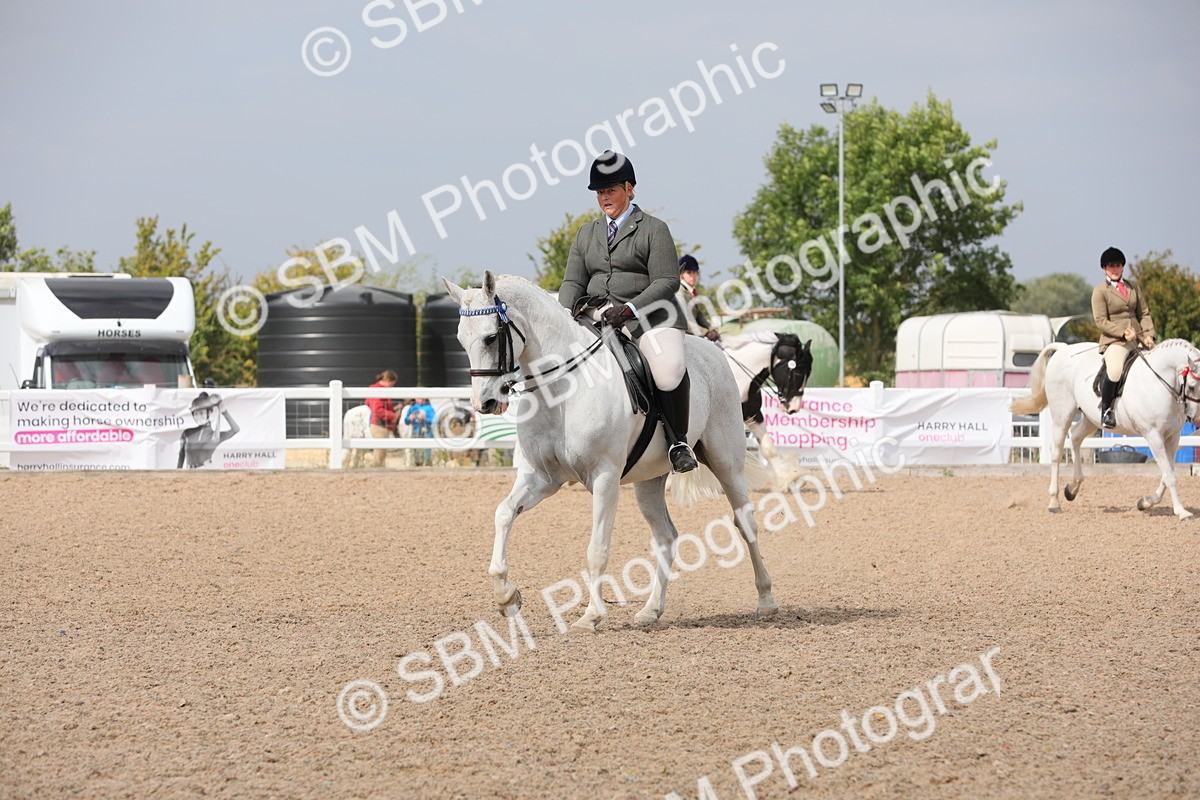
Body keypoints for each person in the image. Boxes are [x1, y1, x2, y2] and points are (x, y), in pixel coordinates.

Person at [558, 150, 697, 473]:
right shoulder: (586, 233)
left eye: (611, 190)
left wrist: (630, 308)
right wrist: (563, 315)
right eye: (600, 192)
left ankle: (678, 441)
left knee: (667, 369)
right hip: (596, 317)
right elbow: (572, 282)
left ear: (629, 189)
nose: (605, 198)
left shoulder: (653, 228)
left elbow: (667, 281)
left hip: (649, 316)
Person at [1091, 246, 1155, 428]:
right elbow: (1101, 321)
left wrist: (1149, 334)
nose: (1115, 269)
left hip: (1139, 338)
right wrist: (1123, 332)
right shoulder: (1100, 291)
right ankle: (1106, 410)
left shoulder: (1132, 286)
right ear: (1104, 268)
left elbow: (1144, 313)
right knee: (1115, 370)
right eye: (1111, 266)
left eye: (1118, 265)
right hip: (1116, 341)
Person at [177, 392, 241, 468]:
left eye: (201, 413)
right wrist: (178, 471)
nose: (198, 416)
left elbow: (235, 429)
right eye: (196, 413)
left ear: (209, 413)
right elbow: (181, 454)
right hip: (189, 471)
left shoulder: (215, 435)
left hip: (207, 471)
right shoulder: (187, 433)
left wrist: (224, 412)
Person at [676, 255, 720, 342]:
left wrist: (711, 329)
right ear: (681, 275)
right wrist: (706, 332)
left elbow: (699, 315)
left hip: (693, 335)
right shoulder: (679, 292)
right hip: (682, 336)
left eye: (695, 272)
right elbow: (684, 321)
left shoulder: (691, 291)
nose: (693, 276)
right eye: (689, 272)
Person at [365, 370, 399, 467]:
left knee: (381, 451)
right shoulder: (378, 390)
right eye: (392, 384)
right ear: (388, 380)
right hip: (379, 424)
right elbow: (378, 409)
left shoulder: (375, 389)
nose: (392, 387)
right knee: (380, 452)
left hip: (380, 423)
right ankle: (377, 469)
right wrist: (393, 415)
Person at [404, 397, 436, 467]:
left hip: (427, 431)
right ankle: (417, 463)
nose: (421, 400)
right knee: (416, 448)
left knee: (427, 447)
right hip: (416, 431)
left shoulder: (429, 408)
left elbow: (434, 420)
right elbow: (406, 421)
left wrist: (425, 419)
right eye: (418, 399)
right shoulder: (412, 408)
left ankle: (427, 462)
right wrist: (409, 418)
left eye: (423, 399)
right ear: (415, 398)